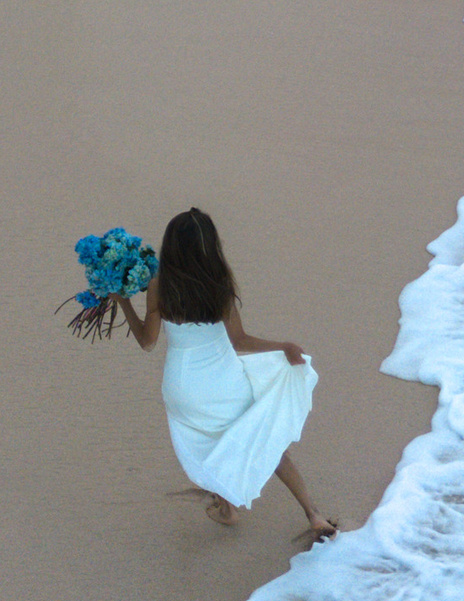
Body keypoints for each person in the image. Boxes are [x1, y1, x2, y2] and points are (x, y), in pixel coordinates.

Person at [117, 207, 339, 544]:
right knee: (269, 444)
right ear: (211, 246)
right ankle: (313, 514)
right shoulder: (218, 286)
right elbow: (239, 342)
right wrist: (283, 347)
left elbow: (147, 342)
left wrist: (123, 302)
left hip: (182, 387)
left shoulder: (159, 286)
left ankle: (227, 509)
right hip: (225, 383)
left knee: (207, 444)